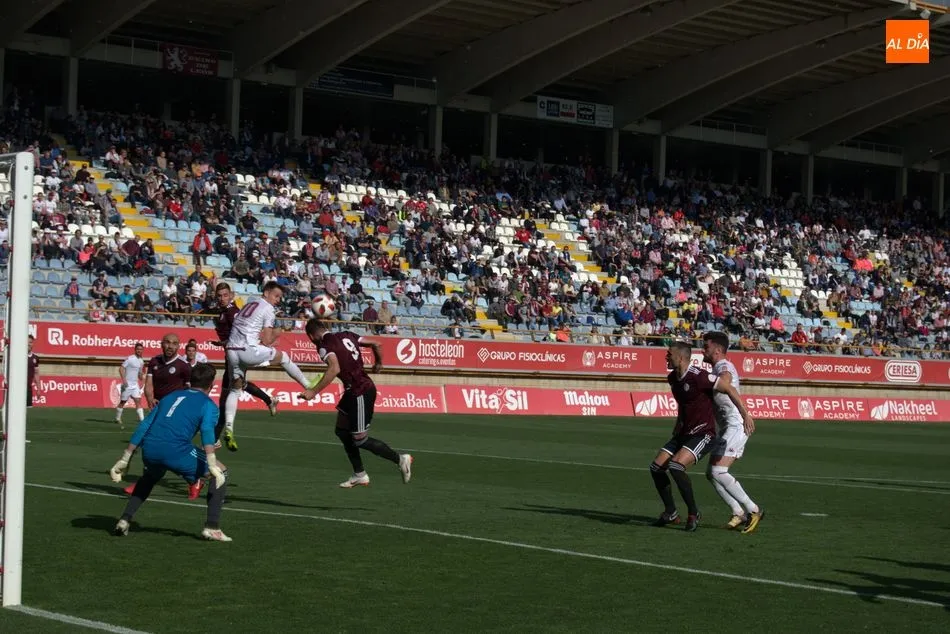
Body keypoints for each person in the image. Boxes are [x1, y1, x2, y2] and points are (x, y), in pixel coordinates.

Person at [108, 363, 231, 542]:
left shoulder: (170, 396)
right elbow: (206, 432)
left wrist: (125, 458)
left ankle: (124, 520)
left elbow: (144, 425)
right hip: (176, 450)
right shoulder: (208, 405)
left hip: (149, 449)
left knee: (149, 478)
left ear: (190, 381)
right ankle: (212, 527)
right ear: (212, 386)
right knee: (222, 472)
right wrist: (212, 463)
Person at [299, 318, 412, 488]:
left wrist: (313, 392)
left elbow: (334, 368)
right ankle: (359, 474)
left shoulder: (323, 346)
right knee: (342, 431)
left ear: (310, 336)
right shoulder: (347, 334)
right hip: (354, 390)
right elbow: (376, 344)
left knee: (360, 439)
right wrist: (379, 362)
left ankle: (400, 459)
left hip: (360, 391)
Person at [649, 341, 746, 532]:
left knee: (676, 466)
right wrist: (678, 425)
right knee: (656, 468)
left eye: (669, 354)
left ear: (681, 357)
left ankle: (694, 512)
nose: (666, 357)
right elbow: (684, 405)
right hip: (683, 433)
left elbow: (728, 387)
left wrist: (745, 413)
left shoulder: (699, 376)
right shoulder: (672, 378)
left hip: (704, 434)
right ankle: (671, 512)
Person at [223, 281, 311, 451]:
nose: (278, 300)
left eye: (280, 297)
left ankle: (229, 429)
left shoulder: (250, 303)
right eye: (276, 296)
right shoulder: (268, 309)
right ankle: (308, 385)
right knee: (283, 357)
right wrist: (280, 332)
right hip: (247, 349)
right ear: (266, 293)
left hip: (232, 350)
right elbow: (268, 340)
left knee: (235, 390)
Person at [701, 331, 764, 533]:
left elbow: (726, 384)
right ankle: (738, 512)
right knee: (712, 474)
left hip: (736, 426)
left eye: (707, 346)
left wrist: (745, 414)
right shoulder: (718, 367)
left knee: (719, 471)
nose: (703, 349)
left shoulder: (723, 367)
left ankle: (753, 509)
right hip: (728, 427)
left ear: (717, 350)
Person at [126, 333, 193, 496]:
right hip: (158, 411)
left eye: (174, 343)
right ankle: (145, 482)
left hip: (176, 413)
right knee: (150, 445)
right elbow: (149, 384)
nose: (170, 346)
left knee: (171, 448)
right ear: (161, 344)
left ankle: (193, 478)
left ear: (178, 346)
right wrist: (150, 399)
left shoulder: (184, 366)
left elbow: (191, 391)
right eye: (167, 343)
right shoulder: (154, 362)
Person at [210, 282, 276, 442]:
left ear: (231, 295)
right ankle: (269, 400)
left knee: (225, 398)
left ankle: (215, 438)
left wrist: (224, 343)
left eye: (225, 295)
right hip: (231, 357)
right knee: (239, 386)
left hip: (237, 356)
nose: (222, 298)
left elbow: (240, 337)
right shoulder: (223, 312)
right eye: (219, 296)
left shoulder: (233, 313)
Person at [115, 342, 146, 427]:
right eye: (138, 349)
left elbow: (139, 373)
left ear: (142, 350)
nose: (139, 351)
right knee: (123, 402)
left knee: (138, 401)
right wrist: (124, 380)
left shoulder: (141, 361)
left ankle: (142, 420)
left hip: (135, 384)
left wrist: (142, 376)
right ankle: (117, 418)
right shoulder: (130, 359)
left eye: (141, 349)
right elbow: (121, 368)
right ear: (135, 350)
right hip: (127, 384)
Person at [27, 335, 40, 408]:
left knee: (28, 410)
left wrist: (38, 389)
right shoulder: (18, 355)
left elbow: (36, 374)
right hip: (17, 388)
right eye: (27, 342)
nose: (29, 344)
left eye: (30, 342)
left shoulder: (35, 357)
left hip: (28, 389)